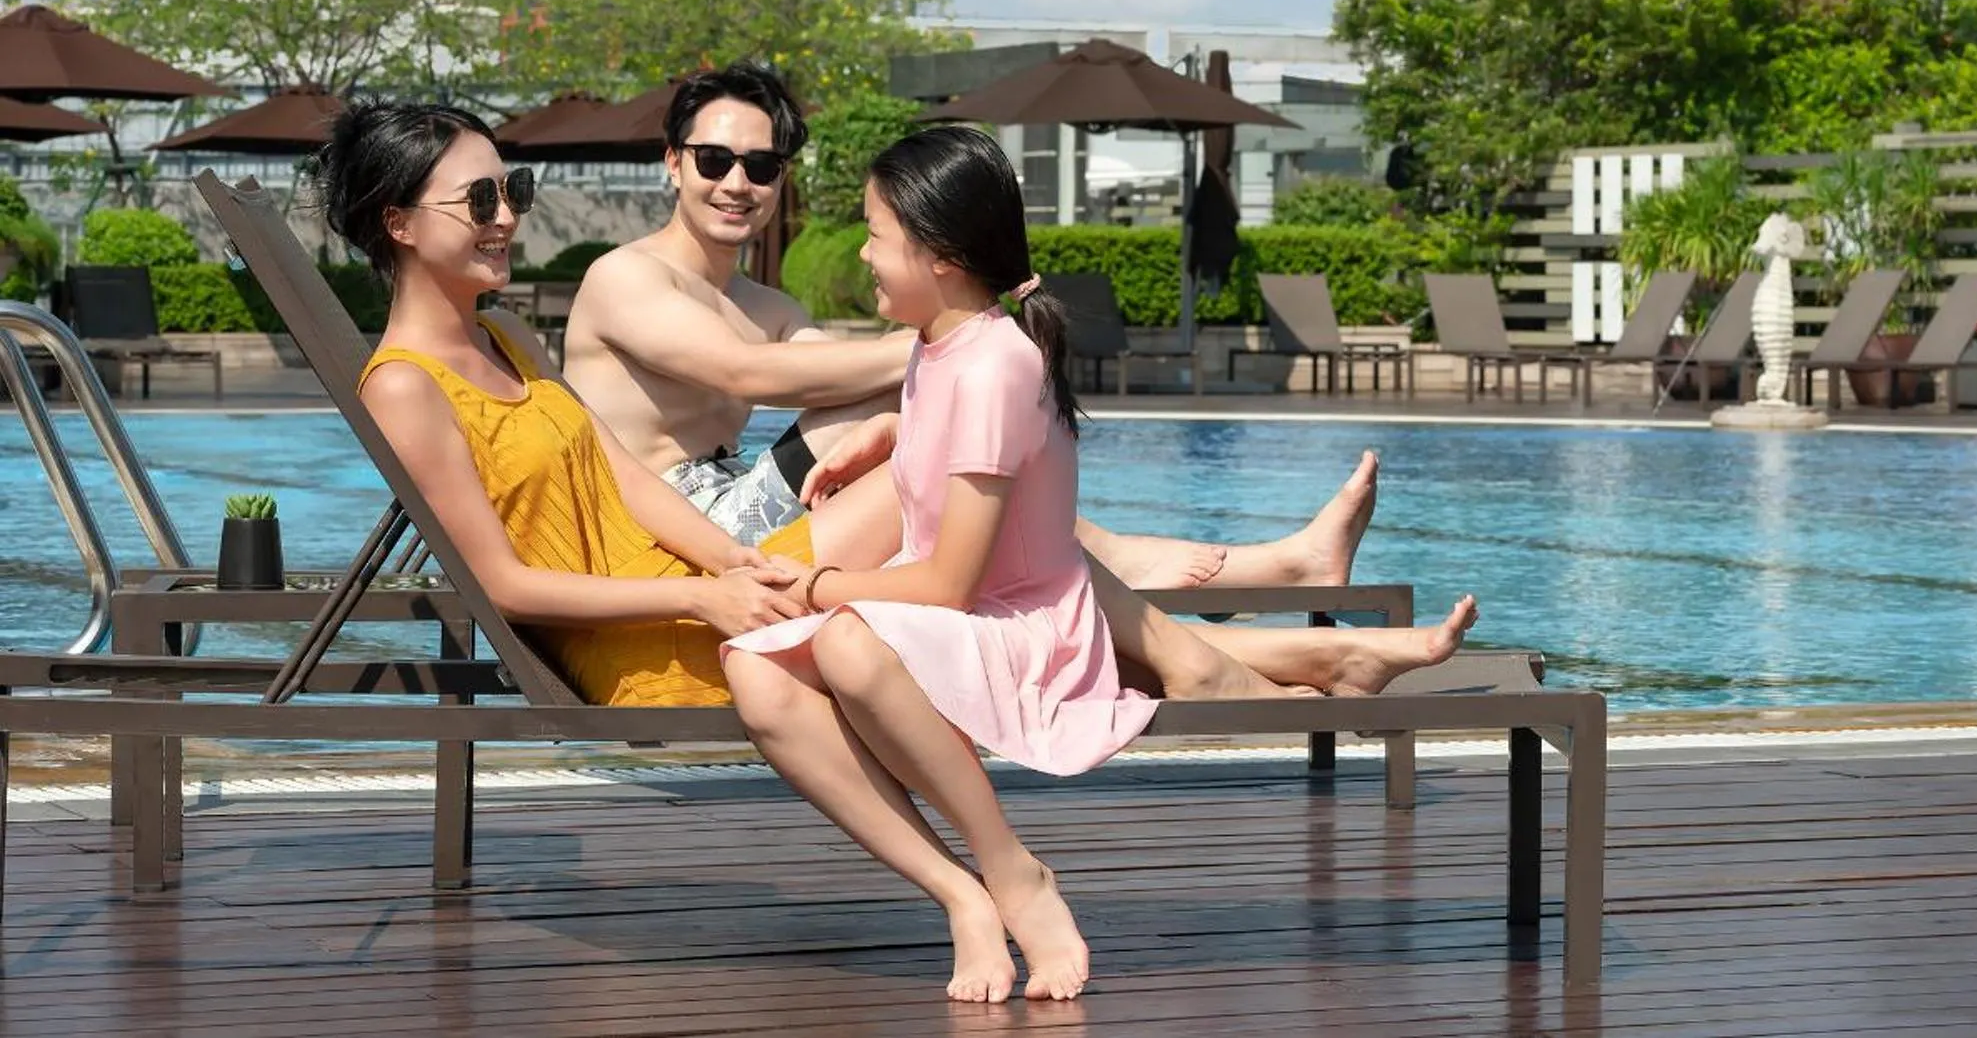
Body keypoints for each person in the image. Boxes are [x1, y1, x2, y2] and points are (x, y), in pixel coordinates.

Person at [327, 102, 1476, 1001]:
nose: (508, 215)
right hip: (624, 638)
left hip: (687, 591)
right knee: (903, 541)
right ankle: (982, 877)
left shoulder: (508, 337)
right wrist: (701, 608)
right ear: (395, 221)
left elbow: (627, 485)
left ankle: (1245, 650)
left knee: (927, 473)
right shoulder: (407, 388)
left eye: (510, 189)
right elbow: (507, 585)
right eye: (480, 197)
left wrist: (732, 569)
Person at [559, 62, 1378, 589]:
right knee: (918, 411)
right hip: (660, 536)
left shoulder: (773, 305)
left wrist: (965, 354)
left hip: (739, 500)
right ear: (672, 161)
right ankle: (1141, 558)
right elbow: (748, 376)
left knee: (926, 417)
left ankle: (1216, 561)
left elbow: (868, 373)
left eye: (763, 165)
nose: (738, 182)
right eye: (714, 161)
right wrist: (966, 330)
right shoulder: (624, 277)